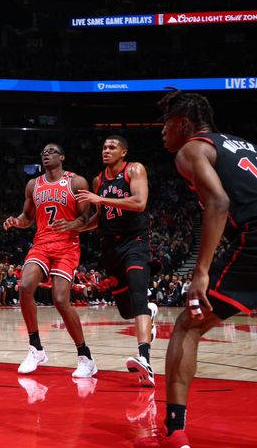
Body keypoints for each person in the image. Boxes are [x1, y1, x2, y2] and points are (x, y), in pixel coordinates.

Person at [136, 91, 257, 447]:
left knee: (188, 325)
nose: (161, 131)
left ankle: (175, 431)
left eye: (165, 123)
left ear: (184, 124)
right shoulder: (245, 145)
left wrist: (200, 270)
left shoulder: (192, 149)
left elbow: (218, 201)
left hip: (254, 238)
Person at [3, 143, 97, 378]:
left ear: (63, 156)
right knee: (24, 286)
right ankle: (36, 348)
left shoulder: (76, 182)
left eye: (52, 151)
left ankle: (85, 356)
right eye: (43, 152)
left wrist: (73, 225)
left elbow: (86, 218)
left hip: (67, 245)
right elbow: (27, 217)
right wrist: (16, 221)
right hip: (42, 243)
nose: (46, 154)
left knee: (60, 300)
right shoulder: (33, 184)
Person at [75, 135, 159, 387]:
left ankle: (145, 359)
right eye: (103, 147)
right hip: (110, 247)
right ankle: (149, 313)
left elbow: (139, 202)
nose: (106, 150)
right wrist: (71, 228)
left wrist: (100, 199)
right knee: (126, 310)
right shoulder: (98, 180)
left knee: (138, 297)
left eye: (112, 147)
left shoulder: (134, 169)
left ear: (124, 152)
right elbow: (98, 218)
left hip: (135, 242)